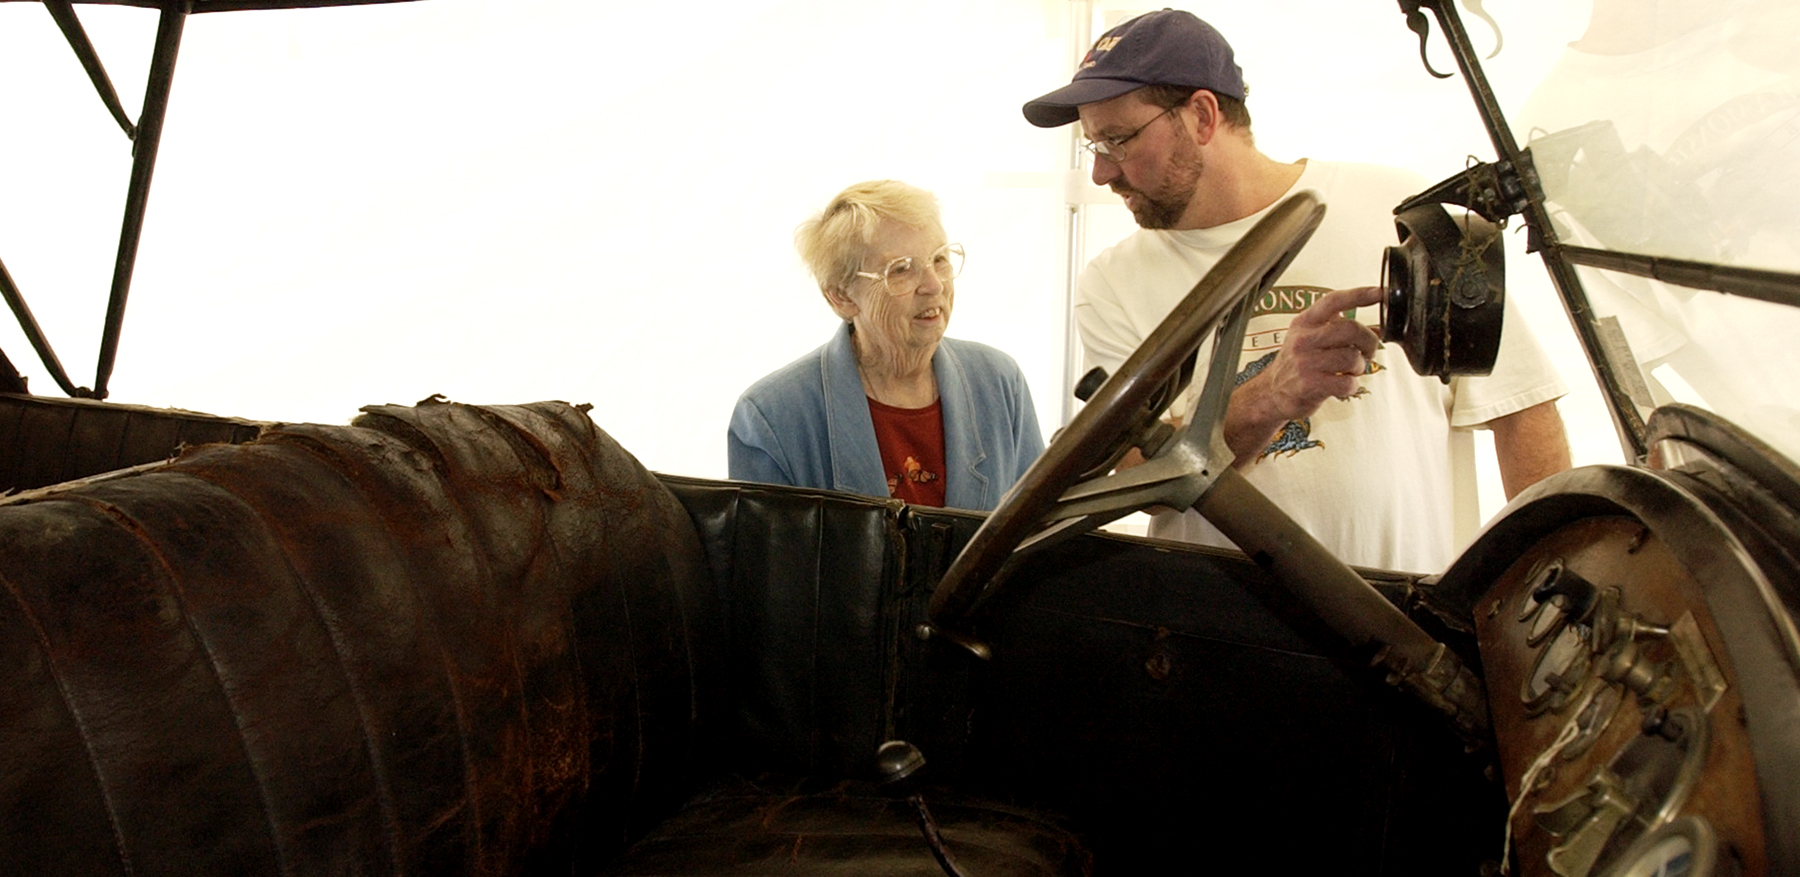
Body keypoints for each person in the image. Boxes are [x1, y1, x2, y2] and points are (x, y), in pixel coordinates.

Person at [1022, 10, 1571, 572]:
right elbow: (1137, 476)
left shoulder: (1399, 211)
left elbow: (1521, 410)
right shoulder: (1112, 283)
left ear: (1203, 115)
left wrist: (1544, 582)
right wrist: (1271, 396)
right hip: (1223, 637)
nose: (1101, 175)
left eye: (1117, 140)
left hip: (1410, 627)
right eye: (1095, 147)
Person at [728, 180, 1045, 511]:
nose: (934, 285)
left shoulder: (999, 382)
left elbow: (1041, 531)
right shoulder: (771, 416)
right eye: (902, 269)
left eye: (940, 259)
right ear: (841, 296)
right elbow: (771, 560)